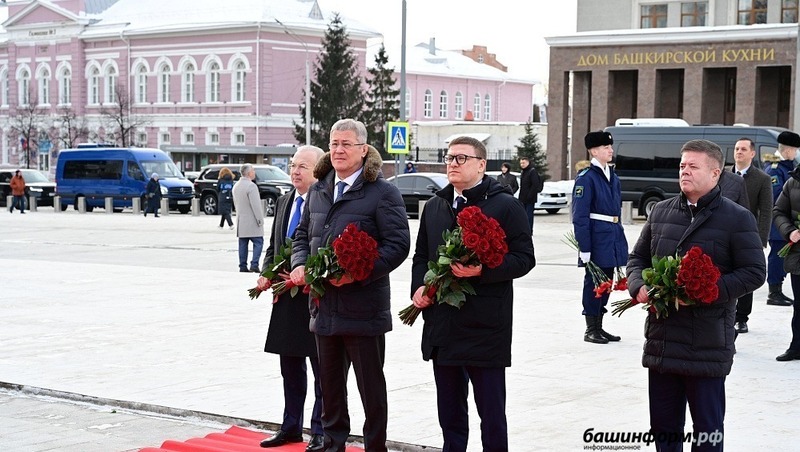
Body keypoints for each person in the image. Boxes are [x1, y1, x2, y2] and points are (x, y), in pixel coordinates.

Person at [627, 139, 765, 451]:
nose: (685, 171)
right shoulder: (661, 212)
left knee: (707, 431)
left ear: (716, 174)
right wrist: (639, 287)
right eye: (682, 166)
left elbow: (755, 272)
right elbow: (637, 260)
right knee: (664, 429)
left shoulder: (737, 218)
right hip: (663, 343)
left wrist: (706, 291)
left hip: (706, 344)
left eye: (693, 166)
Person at [289, 119, 410, 452]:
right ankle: (333, 445)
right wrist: (300, 264)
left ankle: (375, 446)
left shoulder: (382, 192)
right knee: (329, 387)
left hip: (364, 308)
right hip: (324, 306)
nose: (338, 150)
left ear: (363, 149)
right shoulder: (319, 188)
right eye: (334, 143)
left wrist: (360, 272)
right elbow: (302, 235)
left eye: (346, 144)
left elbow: (398, 244)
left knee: (370, 388)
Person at [410, 136, 535, 451]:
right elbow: (421, 255)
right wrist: (419, 287)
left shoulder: (505, 205)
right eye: (449, 157)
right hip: (443, 322)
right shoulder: (437, 204)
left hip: (484, 326)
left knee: (491, 413)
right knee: (449, 411)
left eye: (461, 158)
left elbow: (524, 258)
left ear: (481, 164)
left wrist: (484, 271)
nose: (452, 163)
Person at [259, 146, 326, 451]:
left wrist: (311, 274)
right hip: (285, 295)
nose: (295, 171)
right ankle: (290, 427)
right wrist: (266, 274)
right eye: (292, 165)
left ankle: (320, 430)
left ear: (319, 170)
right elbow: (273, 247)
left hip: (316, 296)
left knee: (322, 368)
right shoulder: (285, 201)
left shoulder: (327, 202)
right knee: (290, 367)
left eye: (303, 166)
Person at [572, 131, 628, 344]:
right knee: (594, 283)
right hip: (596, 238)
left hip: (612, 235)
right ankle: (590, 329)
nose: (610, 150)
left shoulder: (612, 175)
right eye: (606, 147)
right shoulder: (586, 178)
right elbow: (580, 216)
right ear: (594, 151)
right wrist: (584, 247)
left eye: (610, 147)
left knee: (607, 281)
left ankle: (600, 327)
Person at [729, 138, 772, 334]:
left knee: (745, 275)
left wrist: (761, 239)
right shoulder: (723, 174)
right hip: (723, 234)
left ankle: (742, 317)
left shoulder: (762, 179)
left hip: (748, 235)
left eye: (743, 149)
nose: (739, 152)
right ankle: (725, 314)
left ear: (752, 154)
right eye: (737, 149)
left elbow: (766, 211)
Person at [764, 131, 800, 306]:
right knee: (777, 258)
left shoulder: (788, 166)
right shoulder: (775, 169)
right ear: (788, 150)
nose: (796, 154)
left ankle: (778, 288)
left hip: (789, 226)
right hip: (779, 225)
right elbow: (776, 197)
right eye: (795, 150)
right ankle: (774, 291)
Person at [232, 163, 264, 273]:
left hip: (241, 221)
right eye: (253, 170)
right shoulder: (251, 186)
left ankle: (242, 265)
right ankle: (254, 264)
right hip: (252, 221)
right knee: (258, 242)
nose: (254, 172)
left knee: (243, 244)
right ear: (249, 173)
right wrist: (260, 220)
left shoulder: (236, 186)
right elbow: (256, 205)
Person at [518, 156, 542, 233]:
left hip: (529, 198)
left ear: (528, 162)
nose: (522, 164)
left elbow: (535, 185)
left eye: (524, 163)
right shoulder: (523, 172)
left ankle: (529, 230)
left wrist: (530, 195)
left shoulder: (532, 171)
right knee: (523, 215)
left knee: (529, 215)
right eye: (521, 163)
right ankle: (524, 230)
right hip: (523, 198)